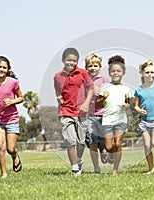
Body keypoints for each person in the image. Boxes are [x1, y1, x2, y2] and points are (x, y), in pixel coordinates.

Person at [54, 47, 94, 176]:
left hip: (81, 112)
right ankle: (74, 167)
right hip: (65, 111)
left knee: (81, 142)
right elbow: (58, 92)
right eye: (68, 60)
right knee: (70, 140)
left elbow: (91, 89)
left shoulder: (83, 73)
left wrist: (86, 103)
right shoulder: (57, 76)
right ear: (63, 60)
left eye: (74, 61)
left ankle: (79, 160)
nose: (71, 63)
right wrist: (59, 99)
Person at [96, 55, 130, 175]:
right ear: (110, 72)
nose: (116, 73)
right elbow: (97, 103)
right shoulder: (105, 87)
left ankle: (115, 169)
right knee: (109, 147)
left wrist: (127, 106)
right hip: (107, 120)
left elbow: (128, 103)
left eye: (118, 71)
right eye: (113, 71)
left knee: (118, 144)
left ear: (123, 73)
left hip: (121, 120)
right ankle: (111, 155)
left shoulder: (126, 89)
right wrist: (103, 97)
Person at [84, 53, 109, 174]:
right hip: (89, 115)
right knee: (92, 141)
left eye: (95, 65)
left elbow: (109, 95)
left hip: (103, 114)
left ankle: (103, 150)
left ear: (99, 67)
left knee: (103, 140)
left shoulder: (104, 79)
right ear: (86, 67)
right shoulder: (84, 80)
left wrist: (102, 92)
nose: (93, 68)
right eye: (90, 66)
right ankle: (96, 168)